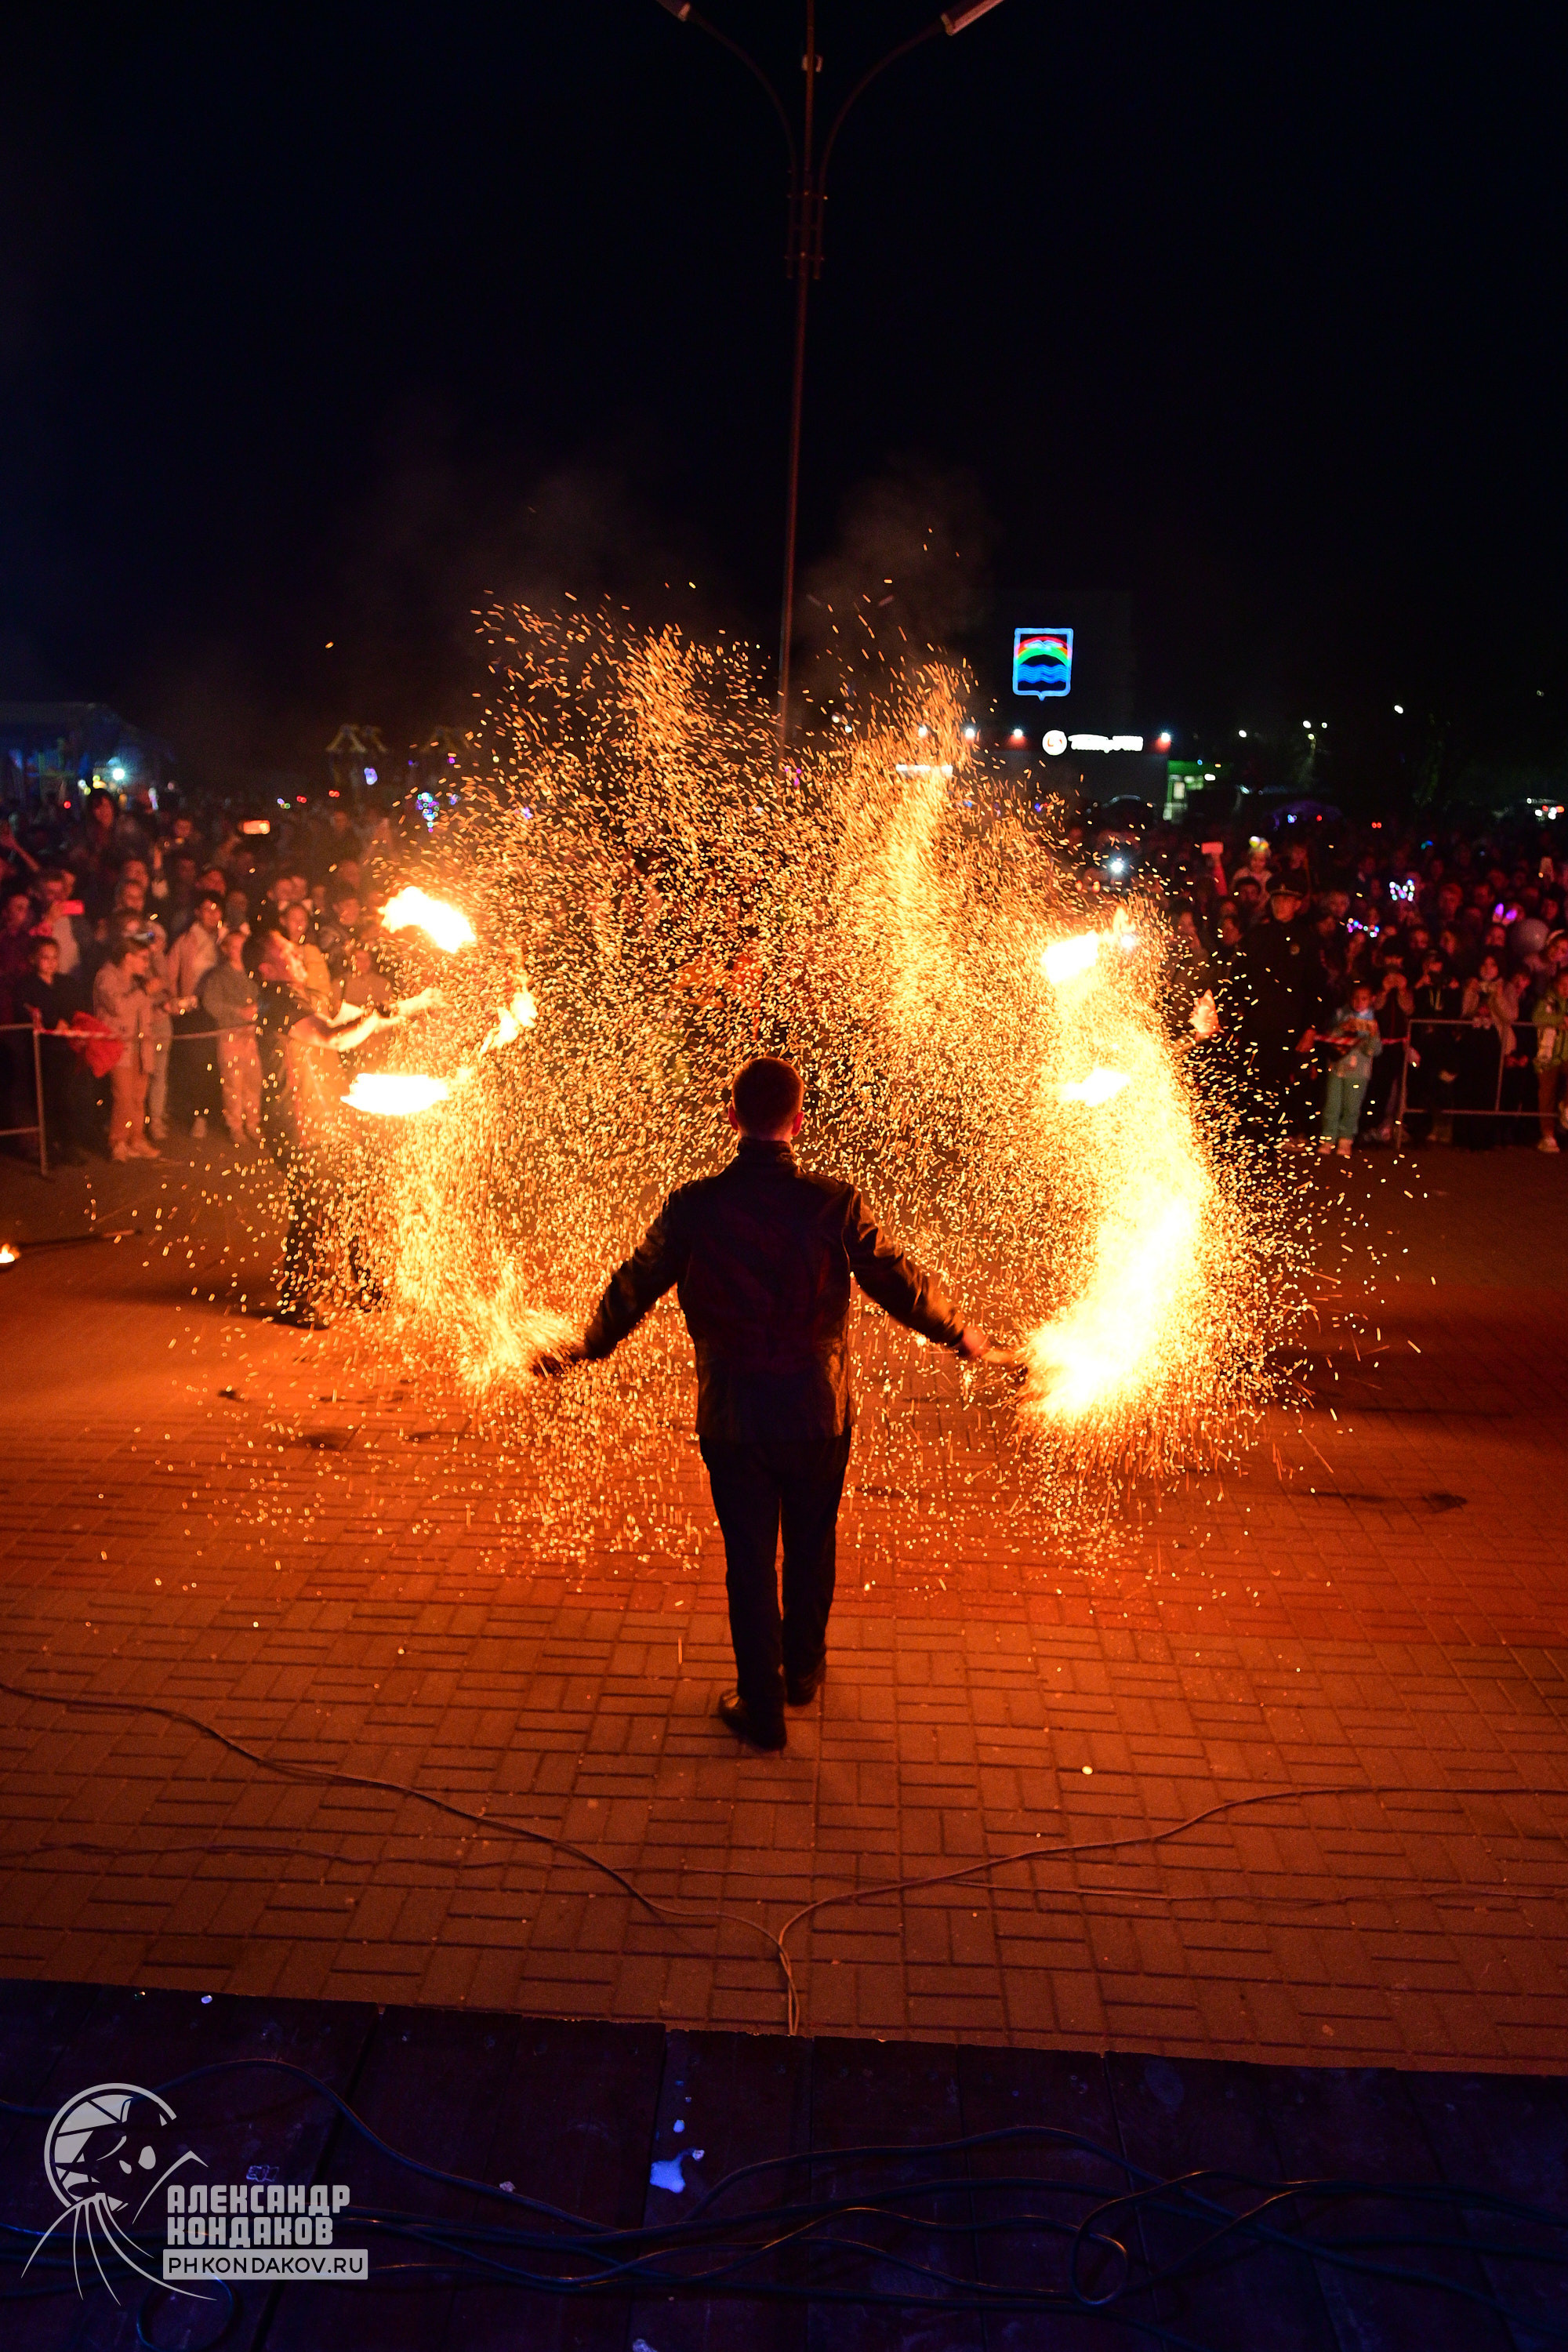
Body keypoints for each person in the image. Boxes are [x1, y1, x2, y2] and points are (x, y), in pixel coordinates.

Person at [539, 1056, 991, 1751]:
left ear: (732, 1118)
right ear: (800, 1120)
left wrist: (584, 1346)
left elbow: (637, 1282)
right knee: (812, 1545)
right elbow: (895, 1279)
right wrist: (959, 1331)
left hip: (736, 1417)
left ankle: (762, 1705)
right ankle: (803, 1674)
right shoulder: (834, 1203)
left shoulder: (695, 1206)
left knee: (750, 1558)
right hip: (816, 1413)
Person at [253, 932, 438, 1325]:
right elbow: (334, 1037)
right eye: (287, 952)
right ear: (268, 969)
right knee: (314, 1207)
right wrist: (375, 1016)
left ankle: (367, 1283)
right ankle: (296, 1299)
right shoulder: (281, 1001)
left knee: (358, 1195)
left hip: (329, 1118)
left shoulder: (307, 997)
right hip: (300, 1122)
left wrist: (415, 1005)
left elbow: (356, 1020)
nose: (298, 954)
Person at [1235, 879, 1331, 1146]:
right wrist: (1236, 1015)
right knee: (1251, 1081)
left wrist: (1311, 1027)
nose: (1281, 905)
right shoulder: (1258, 935)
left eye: (1287, 900)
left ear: (1297, 904)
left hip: (1289, 1026)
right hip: (1257, 1023)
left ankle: (1277, 1135)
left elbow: (1316, 987)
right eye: (1277, 899)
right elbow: (1239, 977)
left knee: (1283, 1083)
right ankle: (1250, 1137)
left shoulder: (1307, 940)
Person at [14, 935, 90, 1162]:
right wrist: (50, 1020)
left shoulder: (66, 984)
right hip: (40, 1052)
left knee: (66, 1098)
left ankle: (69, 1145)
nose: (50, 962)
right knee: (44, 1099)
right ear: (34, 959)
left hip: (65, 1050)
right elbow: (25, 1011)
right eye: (45, 958)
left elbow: (78, 1009)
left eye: (54, 958)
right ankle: (48, 1148)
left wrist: (73, 1025)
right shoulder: (26, 986)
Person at [93, 925, 161, 1160]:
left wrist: (164, 1007)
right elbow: (119, 1008)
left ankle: (136, 1138)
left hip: (142, 1047)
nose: (146, 963)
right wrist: (145, 991)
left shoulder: (136, 980)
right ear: (128, 957)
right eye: (143, 958)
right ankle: (118, 1142)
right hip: (119, 1047)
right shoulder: (107, 977)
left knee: (138, 1097)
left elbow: (143, 1009)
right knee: (123, 1096)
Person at [198, 925, 262, 1145]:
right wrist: (237, 1012)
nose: (238, 951)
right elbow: (210, 1003)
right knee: (233, 1082)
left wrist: (258, 1008)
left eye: (242, 946)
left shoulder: (255, 973)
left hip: (253, 1035)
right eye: (233, 947)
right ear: (226, 949)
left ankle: (253, 1123)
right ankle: (236, 1126)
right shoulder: (219, 976)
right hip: (230, 1034)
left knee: (254, 1080)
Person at [168, 890, 224, 1135]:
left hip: (223, 1007)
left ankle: (221, 1112)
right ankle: (199, 1114)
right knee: (198, 1062)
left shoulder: (226, 938)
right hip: (195, 1008)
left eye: (216, 909)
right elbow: (171, 974)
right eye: (207, 909)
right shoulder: (186, 940)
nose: (212, 914)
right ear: (197, 912)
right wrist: (175, 1001)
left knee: (222, 1061)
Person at [1315, 981, 1381, 1158]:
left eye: (1364, 999)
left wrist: (1371, 1036)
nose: (1359, 1002)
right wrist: (1341, 1029)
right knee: (1332, 1104)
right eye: (1356, 998)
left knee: (1352, 1107)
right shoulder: (1340, 1014)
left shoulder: (1372, 1022)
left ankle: (1346, 1139)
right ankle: (1328, 1138)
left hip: (1359, 1072)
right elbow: (1329, 1037)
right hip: (1337, 1068)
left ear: (1371, 1000)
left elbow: (1374, 1051)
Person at [1528, 964, 1568, 1153]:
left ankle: (1566, 1107)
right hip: (1548, 1055)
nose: (1566, 989)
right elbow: (1537, 1017)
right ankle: (1548, 1135)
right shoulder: (1547, 1000)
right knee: (1546, 1094)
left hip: (1567, 1054)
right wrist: (1560, 1020)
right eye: (1563, 984)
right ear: (1555, 984)